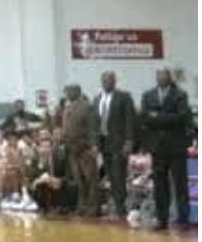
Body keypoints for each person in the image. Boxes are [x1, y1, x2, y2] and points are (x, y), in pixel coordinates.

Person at [139, 69, 192, 230]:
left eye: (164, 75)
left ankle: (183, 219)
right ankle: (162, 219)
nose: (162, 78)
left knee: (180, 184)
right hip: (157, 146)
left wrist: (158, 117)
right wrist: (165, 117)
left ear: (169, 77)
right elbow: (145, 117)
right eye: (159, 75)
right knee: (160, 185)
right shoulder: (148, 95)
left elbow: (181, 117)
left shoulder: (180, 94)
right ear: (156, 78)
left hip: (176, 146)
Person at [95, 71, 138, 220]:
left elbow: (130, 120)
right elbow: (96, 122)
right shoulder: (97, 98)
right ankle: (115, 204)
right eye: (104, 80)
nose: (107, 82)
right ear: (101, 82)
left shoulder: (124, 97)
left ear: (115, 81)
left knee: (119, 175)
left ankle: (121, 208)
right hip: (103, 142)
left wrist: (129, 141)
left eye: (109, 80)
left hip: (119, 143)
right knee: (110, 176)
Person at [57, 85, 101, 217]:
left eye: (69, 91)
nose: (67, 94)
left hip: (85, 148)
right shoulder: (67, 108)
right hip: (71, 148)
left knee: (91, 179)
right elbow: (65, 129)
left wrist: (93, 145)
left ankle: (94, 207)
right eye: (66, 92)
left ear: (77, 92)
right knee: (79, 180)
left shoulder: (88, 106)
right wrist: (62, 143)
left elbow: (93, 127)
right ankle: (82, 205)